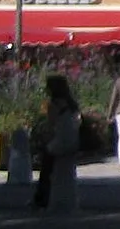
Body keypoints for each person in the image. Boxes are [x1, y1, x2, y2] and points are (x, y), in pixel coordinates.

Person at [32, 75, 82, 209]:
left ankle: (41, 197)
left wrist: (44, 142)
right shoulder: (72, 104)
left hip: (60, 142)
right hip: (72, 141)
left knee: (46, 167)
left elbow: (51, 127)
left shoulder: (53, 104)